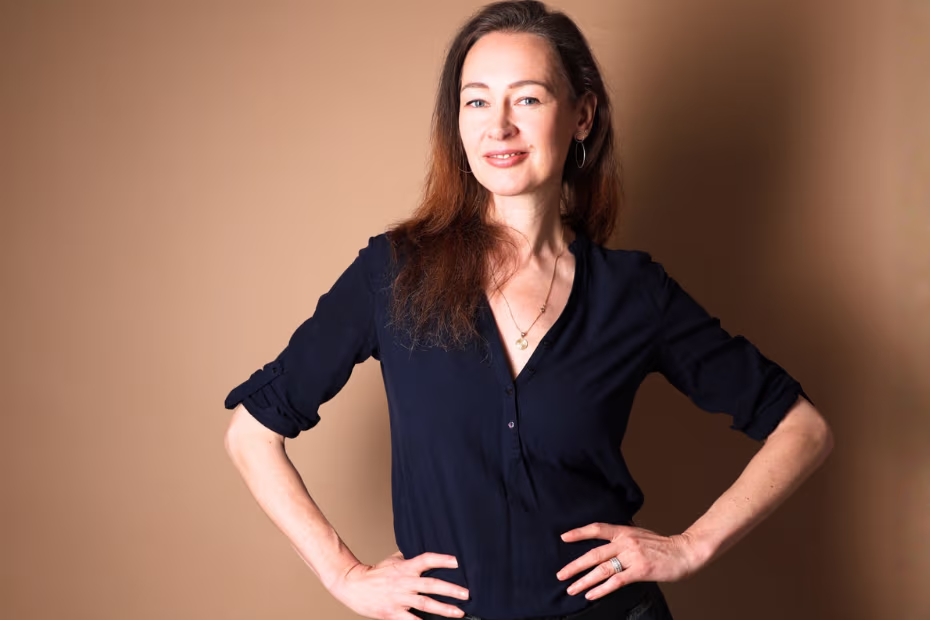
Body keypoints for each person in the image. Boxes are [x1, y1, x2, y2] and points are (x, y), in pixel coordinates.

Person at [222, 1, 834, 619]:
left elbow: (803, 429)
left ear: (582, 116)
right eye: (477, 101)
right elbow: (252, 435)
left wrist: (690, 546)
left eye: (528, 99)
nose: (499, 126)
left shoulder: (632, 292)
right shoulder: (393, 273)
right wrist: (345, 574)